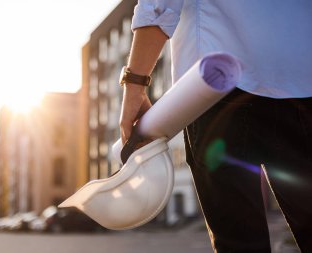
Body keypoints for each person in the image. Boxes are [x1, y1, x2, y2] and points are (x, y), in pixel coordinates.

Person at [119, 0, 312, 252]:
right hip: (302, 84)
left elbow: (159, 5)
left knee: (240, 243)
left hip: (218, 85)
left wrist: (135, 83)